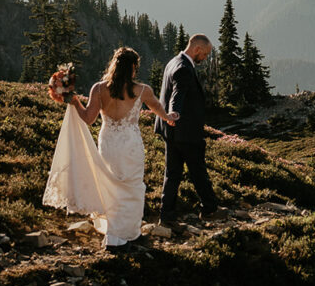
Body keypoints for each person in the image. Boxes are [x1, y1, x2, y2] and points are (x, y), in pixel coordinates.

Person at [43, 46, 178, 252]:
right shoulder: (142, 90)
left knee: (111, 185)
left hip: (108, 144)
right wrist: (168, 117)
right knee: (132, 186)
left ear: (114, 65)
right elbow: (156, 107)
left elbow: (88, 118)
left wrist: (74, 100)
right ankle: (125, 235)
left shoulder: (98, 88)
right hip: (130, 145)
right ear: (133, 68)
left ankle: (114, 233)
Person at [155, 34, 220, 224]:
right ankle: (209, 209)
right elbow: (178, 92)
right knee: (198, 171)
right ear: (197, 49)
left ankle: (166, 215)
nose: (206, 58)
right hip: (186, 132)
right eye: (206, 54)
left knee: (172, 174)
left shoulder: (173, 62)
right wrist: (175, 112)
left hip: (171, 131)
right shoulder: (184, 68)